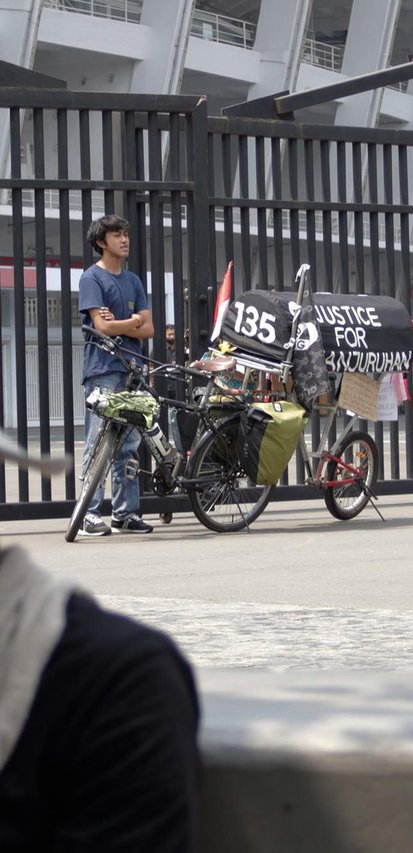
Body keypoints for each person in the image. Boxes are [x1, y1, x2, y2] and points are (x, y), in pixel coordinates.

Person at [0, 432, 200, 852]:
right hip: (109, 375)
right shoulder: (119, 679)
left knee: (124, 443)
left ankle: (118, 510)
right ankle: (103, 510)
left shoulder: (112, 681)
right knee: (117, 441)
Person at [79, 214, 155, 536]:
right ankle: (88, 513)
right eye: (116, 235)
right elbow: (102, 327)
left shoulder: (134, 280)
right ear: (101, 242)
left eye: (126, 233)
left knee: (130, 443)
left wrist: (122, 324)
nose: (124, 239)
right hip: (103, 370)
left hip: (134, 369)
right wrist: (130, 322)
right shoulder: (91, 278)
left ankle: (125, 514)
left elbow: (149, 328)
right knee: (98, 441)